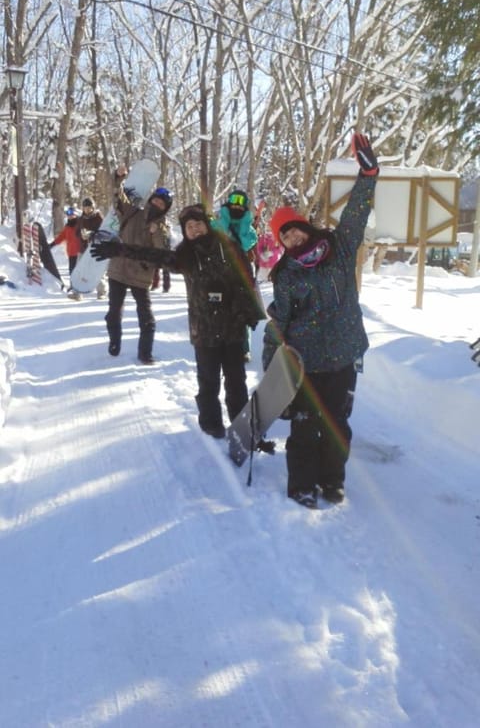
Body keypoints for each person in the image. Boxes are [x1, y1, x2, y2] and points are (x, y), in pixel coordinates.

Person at [262, 132, 379, 509]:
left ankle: (332, 482)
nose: (292, 238)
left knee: (338, 425)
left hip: (344, 356)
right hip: (308, 363)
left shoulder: (340, 249)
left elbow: (356, 214)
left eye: (294, 229)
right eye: (285, 237)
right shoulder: (286, 275)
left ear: (306, 226)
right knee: (306, 424)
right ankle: (301, 485)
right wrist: (274, 375)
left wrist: (369, 174)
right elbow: (279, 326)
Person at [91, 203, 266, 438]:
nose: (194, 230)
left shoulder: (229, 248)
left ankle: (242, 427)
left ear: (207, 225)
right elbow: (154, 255)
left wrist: (249, 311)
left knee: (236, 383)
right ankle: (211, 425)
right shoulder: (185, 256)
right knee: (208, 383)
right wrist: (120, 250)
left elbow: (247, 280)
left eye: (198, 224)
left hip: (232, 329)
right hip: (203, 331)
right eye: (189, 227)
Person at [105, 174, 172, 364]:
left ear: (165, 208)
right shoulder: (133, 212)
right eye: (156, 200)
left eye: (162, 203)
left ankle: (145, 354)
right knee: (113, 313)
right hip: (118, 270)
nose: (158, 204)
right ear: (151, 199)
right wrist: (118, 180)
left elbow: (162, 253)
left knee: (147, 319)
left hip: (141, 276)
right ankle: (114, 342)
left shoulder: (163, 227)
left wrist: (156, 232)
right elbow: (119, 200)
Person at [213, 188, 258, 361]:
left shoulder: (249, 228)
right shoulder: (217, 222)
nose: (237, 205)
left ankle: (243, 348)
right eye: (234, 200)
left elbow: (247, 244)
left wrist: (246, 224)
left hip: (242, 275)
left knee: (242, 311)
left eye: (241, 202)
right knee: (220, 309)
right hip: (220, 272)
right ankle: (220, 344)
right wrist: (224, 221)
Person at [76, 197, 106, 298]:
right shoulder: (81, 219)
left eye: (89, 208)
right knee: (79, 271)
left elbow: (104, 233)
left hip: (95, 248)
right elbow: (76, 232)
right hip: (83, 248)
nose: (87, 210)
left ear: (93, 208)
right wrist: (81, 234)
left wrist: (91, 234)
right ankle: (78, 292)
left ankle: (101, 292)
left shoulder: (99, 218)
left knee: (95, 270)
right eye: (85, 208)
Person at [49, 207, 83, 298]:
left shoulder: (80, 224)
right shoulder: (67, 226)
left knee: (78, 271)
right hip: (71, 252)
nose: (70, 216)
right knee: (71, 271)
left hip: (79, 252)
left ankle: (79, 288)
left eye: (72, 214)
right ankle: (73, 287)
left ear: (75, 214)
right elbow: (61, 237)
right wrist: (52, 244)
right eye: (68, 214)